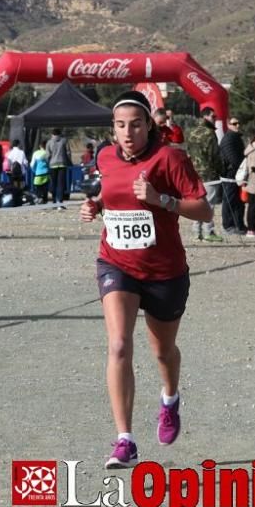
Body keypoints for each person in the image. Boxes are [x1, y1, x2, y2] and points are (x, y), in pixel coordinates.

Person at [79, 90, 213, 469]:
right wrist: (96, 206)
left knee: (162, 352)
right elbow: (111, 193)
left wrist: (161, 200)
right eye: (120, 125)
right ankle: (125, 440)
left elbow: (204, 210)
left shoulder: (170, 158)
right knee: (119, 345)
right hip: (116, 263)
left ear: (148, 125)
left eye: (135, 125)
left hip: (165, 271)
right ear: (112, 129)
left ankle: (169, 398)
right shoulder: (106, 156)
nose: (127, 132)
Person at [184, 107, 224, 242]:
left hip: (194, 173)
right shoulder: (209, 133)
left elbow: (188, 152)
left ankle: (196, 231)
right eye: (213, 116)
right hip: (209, 173)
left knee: (197, 202)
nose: (215, 118)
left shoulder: (191, 132)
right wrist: (221, 170)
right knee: (209, 204)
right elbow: (215, 155)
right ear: (205, 116)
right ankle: (209, 231)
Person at [219, 117, 246, 233]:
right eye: (234, 123)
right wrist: (244, 166)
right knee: (229, 200)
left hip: (238, 173)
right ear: (228, 125)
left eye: (239, 123)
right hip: (230, 174)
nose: (237, 125)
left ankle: (238, 224)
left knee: (239, 200)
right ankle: (228, 225)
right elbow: (234, 159)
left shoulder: (237, 138)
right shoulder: (229, 139)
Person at [47, 128, 70, 209]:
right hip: (62, 164)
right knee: (61, 184)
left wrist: (48, 162)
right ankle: (60, 201)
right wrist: (69, 161)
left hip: (52, 165)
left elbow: (48, 154)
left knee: (53, 183)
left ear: (52, 134)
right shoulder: (64, 141)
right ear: (60, 134)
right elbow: (68, 152)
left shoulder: (49, 142)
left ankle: (54, 202)